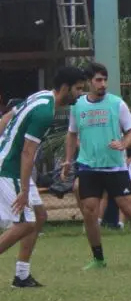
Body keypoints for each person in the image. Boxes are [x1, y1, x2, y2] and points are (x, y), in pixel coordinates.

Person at [63, 63, 131, 270]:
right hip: (88, 168)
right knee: (90, 211)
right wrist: (68, 159)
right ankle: (98, 258)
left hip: (115, 168)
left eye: (105, 79)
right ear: (88, 82)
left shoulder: (116, 104)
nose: (103, 84)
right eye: (98, 80)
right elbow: (72, 134)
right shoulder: (77, 106)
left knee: (130, 210)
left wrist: (123, 144)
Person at [0, 66, 87, 287]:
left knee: (38, 216)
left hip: (11, 165)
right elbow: (27, 152)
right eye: (78, 89)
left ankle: (21, 276)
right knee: (25, 224)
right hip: (9, 169)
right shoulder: (45, 113)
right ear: (65, 88)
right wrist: (25, 190)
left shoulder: (41, 96)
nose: (80, 94)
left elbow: (8, 116)